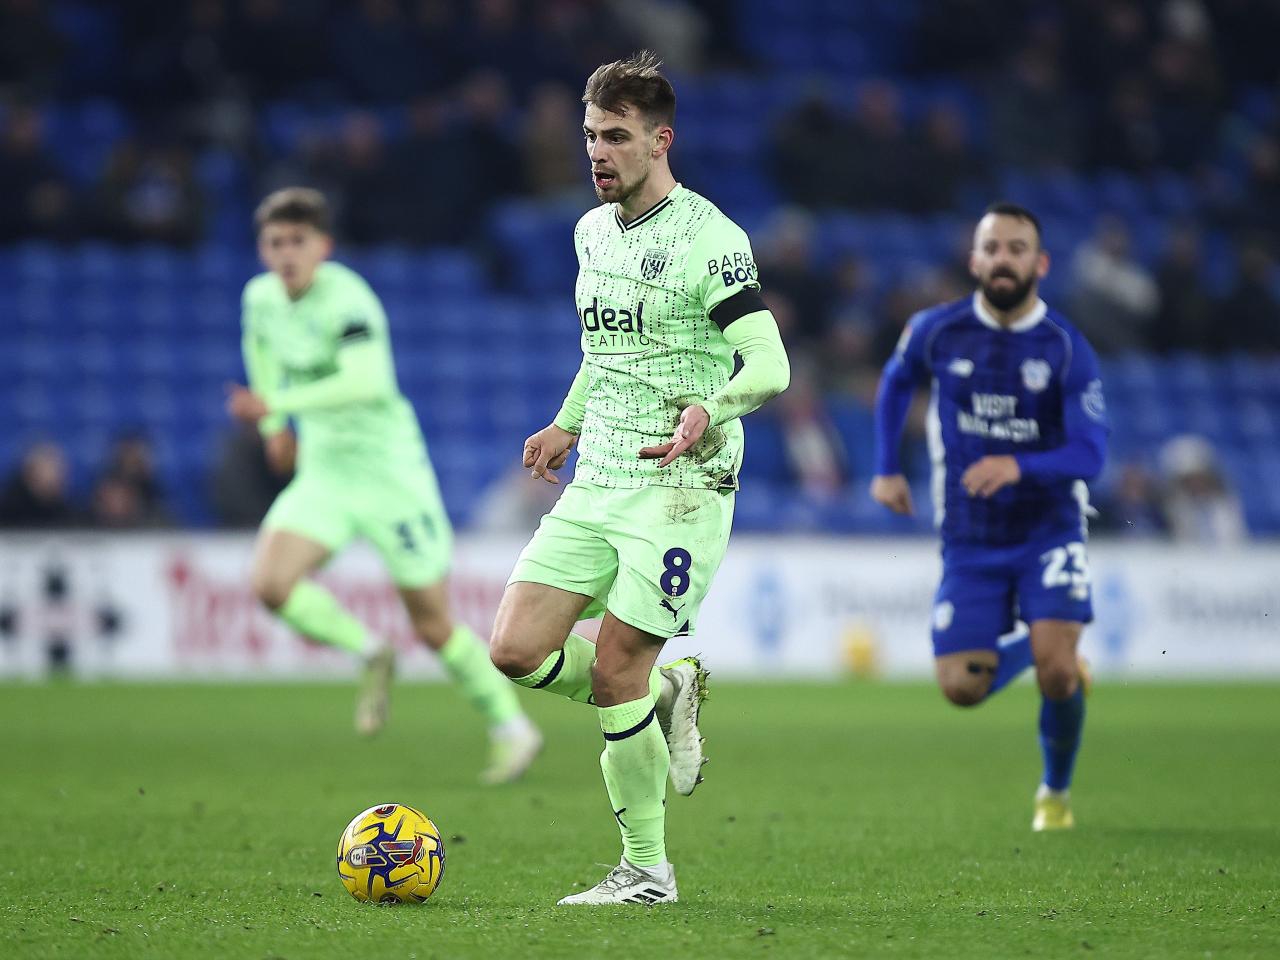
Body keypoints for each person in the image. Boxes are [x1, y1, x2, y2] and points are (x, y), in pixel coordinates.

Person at [487, 52, 790, 905]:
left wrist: (712, 408)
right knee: (513, 648)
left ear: (661, 140)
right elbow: (605, 352)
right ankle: (669, 691)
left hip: (682, 483)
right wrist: (566, 422)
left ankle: (647, 872)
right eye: (590, 135)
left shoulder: (713, 241)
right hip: (600, 474)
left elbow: (771, 364)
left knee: (613, 668)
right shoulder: (589, 231)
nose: (598, 153)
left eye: (616, 137)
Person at [225, 187, 540, 782]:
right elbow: (258, 350)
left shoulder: (348, 299)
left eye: (298, 241)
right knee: (270, 583)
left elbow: (366, 381)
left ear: (324, 246)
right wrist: (274, 426)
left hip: (391, 477)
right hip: (326, 476)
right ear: (262, 249)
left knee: (432, 622)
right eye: (275, 243)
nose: (287, 253)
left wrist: (278, 401)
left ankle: (513, 728)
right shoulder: (261, 298)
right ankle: (370, 650)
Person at [871, 203, 1109, 832]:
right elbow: (896, 383)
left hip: (1047, 530)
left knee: (1060, 673)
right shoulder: (936, 331)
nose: (1004, 258)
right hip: (970, 538)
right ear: (975, 259)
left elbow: (1092, 452)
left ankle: (1053, 794)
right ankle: (1040, 652)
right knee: (960, 688)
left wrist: (1019, 467)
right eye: (993, 247)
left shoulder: (1065, 348)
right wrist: (886, 467)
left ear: (1040, 263)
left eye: (1017, 248)